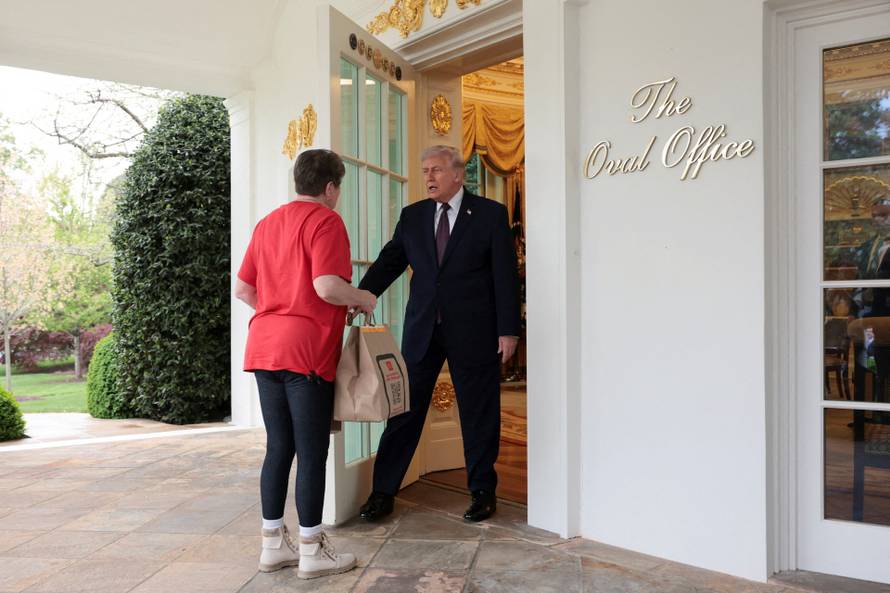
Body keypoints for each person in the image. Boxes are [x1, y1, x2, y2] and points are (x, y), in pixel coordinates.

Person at [357, 145, 521, 523]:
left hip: (475, 331)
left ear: (458, 175)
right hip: (422, 330)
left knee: (479, 414)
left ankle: (482, 491)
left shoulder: (489, 215)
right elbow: (390, 260)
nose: (428, 177)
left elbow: (504, 276)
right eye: (425, 170)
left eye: (435, 170)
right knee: (403, 412)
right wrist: (364, 294)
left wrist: (508, 330)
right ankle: (382, 492)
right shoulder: (413, 216)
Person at [234, 149, 376, 579]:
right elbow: (328, 285)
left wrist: (279, 311)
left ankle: (273, 545)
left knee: (279, 447)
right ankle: (312, 549)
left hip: (264, 347)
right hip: (305, 352)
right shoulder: (326, 221)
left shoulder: (268, 222)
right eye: (339, 189)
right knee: (313, 450)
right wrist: (364, 298)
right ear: (330, 188)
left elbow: (243, 289)